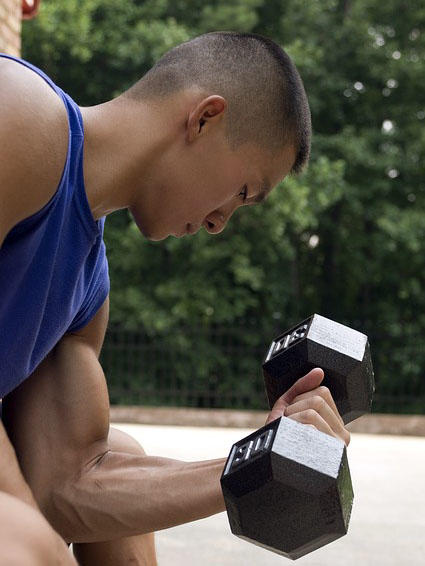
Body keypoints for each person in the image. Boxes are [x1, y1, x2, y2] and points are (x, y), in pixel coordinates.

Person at [0, 32, 350, 565]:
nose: (218, 224)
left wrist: (258, 460)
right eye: (243, 193)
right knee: (21, 538)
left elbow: (66, 487)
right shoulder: (21, 112)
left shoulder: (84, 290)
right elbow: (35, 512)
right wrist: (36, 536)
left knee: (117, 457)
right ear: (205, 118)